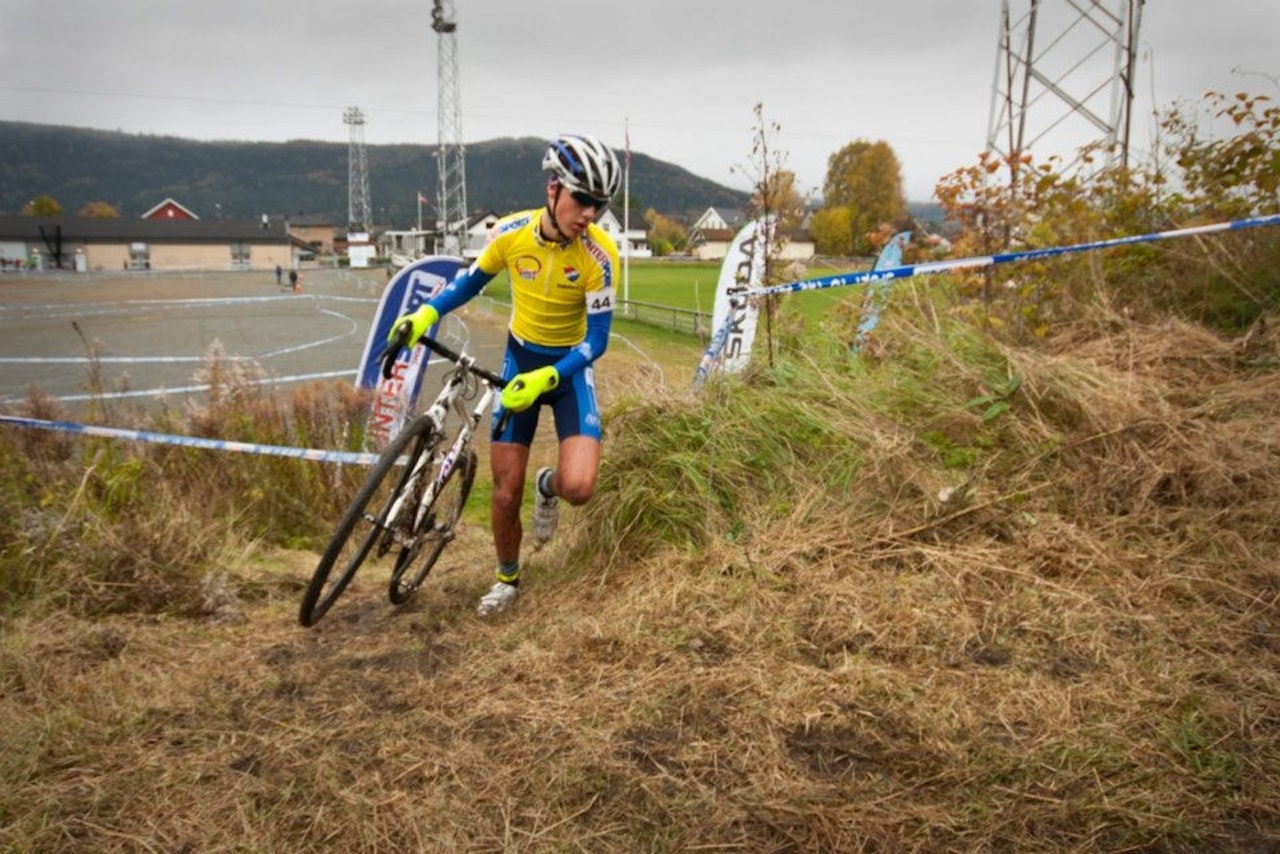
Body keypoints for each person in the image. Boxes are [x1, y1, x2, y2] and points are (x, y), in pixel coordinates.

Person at [391, 133, 621, 617]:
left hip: (567, 371)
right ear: (553, 189)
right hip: (520, 360)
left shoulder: (600, 256)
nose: (590, 215)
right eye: (583, 200)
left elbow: (597, 341)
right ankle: (507, 578)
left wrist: (549, 379)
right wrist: (425, 315)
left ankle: (548, 486)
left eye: (600, 206)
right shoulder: (511, 234)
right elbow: (465, 285)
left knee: (578, 487)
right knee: (503, 487)